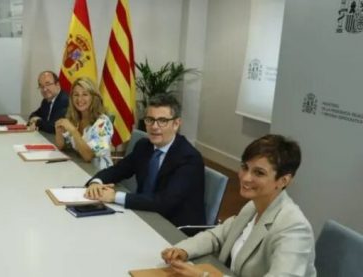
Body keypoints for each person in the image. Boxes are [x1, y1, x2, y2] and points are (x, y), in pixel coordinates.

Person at [160, 134, 316, 277]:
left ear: (283, 181)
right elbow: (217, 236)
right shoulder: (252, 206)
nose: (246, 178)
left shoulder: (294, 228)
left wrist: (203, 276)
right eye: (245, 167)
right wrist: (183, 250)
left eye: (259, 173)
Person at [84, 94, 205, 234]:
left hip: (175, 229)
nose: (154, 127)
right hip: (143, 216)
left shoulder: (189, 158)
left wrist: (114, 196)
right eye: (150, 120)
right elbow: (119, 170)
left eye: (162, 121)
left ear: (176, 124)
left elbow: (164, 202)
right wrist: (96, 182)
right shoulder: (144, 146)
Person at [53, 77, 114, 169]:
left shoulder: (103, 122)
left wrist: (73, 131)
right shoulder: (75, 118)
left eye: (85, 94)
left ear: (94, 97)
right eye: (76, 95)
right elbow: (61, 146)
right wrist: (58, 131)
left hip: (99, 172)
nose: (79, 99)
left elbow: (88, 156)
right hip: (79, 167)